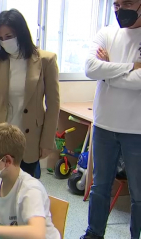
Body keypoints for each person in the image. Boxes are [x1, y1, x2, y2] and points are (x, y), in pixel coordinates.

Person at [81, 0, 141, 238]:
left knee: (138, 193)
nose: (120, 9)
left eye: (127, 3)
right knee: (100, 187)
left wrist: (108, 72)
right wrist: (131, 67)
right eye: (116, 4)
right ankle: (94, 233)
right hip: (104, 124)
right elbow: (89, 68)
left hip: (136, 129)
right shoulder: (106, 32)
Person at [0, 9, 60, 180]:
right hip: (0, 135)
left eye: (9, 36)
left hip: (30, 136)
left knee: (26, 185)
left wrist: (47, 142)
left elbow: (53, 105)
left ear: (21, 33)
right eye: (0, 38)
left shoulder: (46, 60)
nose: (5, 42)